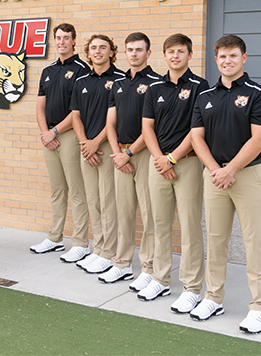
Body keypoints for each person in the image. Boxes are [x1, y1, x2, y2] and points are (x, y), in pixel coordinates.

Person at [190, 35, 261, 334]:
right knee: (215, 239)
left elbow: (259, 139)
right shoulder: (205, 96)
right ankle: (214, 297)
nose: (227, 61)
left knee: (255, 242)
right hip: (214, 176)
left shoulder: (257, 94)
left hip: (247, 175)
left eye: (233, 56)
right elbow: (197, 137)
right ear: (216, 60)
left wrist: (231, 169)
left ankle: (259, 308)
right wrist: (216, 170)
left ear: (244, 58)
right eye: (222, 57)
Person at [139, 33, 209, 312]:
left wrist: (172, 159)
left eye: (181, 51)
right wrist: (159, 159)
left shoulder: (199, 86)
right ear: (164, 55)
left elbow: (197, 130)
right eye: (171, 52)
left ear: (190, 55)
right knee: (158, 223)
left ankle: (192, 287)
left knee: (190, 226)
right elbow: (147, 128)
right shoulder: (154, 88)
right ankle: (160, 278)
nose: (176, 56)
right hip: (157, 164)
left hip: (188, 163)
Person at [99, 32, 161, 291]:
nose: (134, 54)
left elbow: (153, 127)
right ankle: (122, 263)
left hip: (143, 153)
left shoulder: (158, 83)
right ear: (124, 53)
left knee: (149, 213)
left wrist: (130, 153)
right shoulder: (118, 83)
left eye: (139, 49)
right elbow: (110, 122)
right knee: (123, 212)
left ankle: (148, 267)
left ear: (148, 53)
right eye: (130, 50)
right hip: (120, 154)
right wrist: (117, 152)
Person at [30, 23, 91, 263]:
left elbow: (78, 110)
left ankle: (80, 243)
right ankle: (54, 238)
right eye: (58, 38)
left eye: (67, 38)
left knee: (76, 191)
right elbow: (39, 105)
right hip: (49, 138)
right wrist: (45, 132)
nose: (62, 42)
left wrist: (55, 131)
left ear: (74, 41)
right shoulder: (48, 70)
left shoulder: (81, 69)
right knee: (57, 190)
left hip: (69, 135)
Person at [71, 35, 125, 274]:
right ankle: (98, 248)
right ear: (88, 53)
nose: (98, 51)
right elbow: (75, 115)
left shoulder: (121, 79)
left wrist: (96, 142)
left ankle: (109, 252)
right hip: (87, 149)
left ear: (112, 52)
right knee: (93, 200)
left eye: (103, 47)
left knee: (108, 201)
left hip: (107, 148)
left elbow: (118, 117)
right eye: (93, 48)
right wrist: (85, 143)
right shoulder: (81, 79)